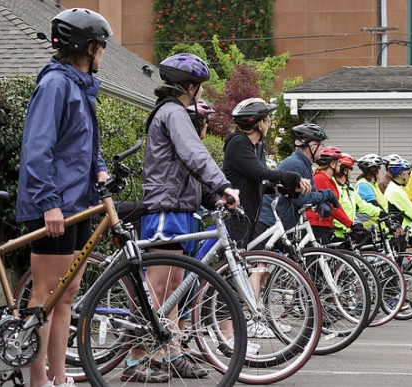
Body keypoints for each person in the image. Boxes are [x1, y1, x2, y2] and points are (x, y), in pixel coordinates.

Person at [126, 52, 240, 382]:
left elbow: (187, 166)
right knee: (158, 287)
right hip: (165, 208)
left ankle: (171, 351)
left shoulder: (173, 112)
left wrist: (214, 194)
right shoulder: (174, 112)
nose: (201, 93)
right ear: (190, 86)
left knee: (174, 285)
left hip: (180, 208)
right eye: (200, 88)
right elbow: (194, 153)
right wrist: (223, 184)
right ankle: (136, 359)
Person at [15, 8, 112, 387]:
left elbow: (85, 145)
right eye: (101, 46)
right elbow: (38, 149)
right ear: (89, 47)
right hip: (55, 206)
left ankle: (58, 377)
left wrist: (100, 169)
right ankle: (37, 381)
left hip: (78, 202)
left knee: (67, 294)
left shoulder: (80, 85)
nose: (103, 53)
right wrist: (49, 202)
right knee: (45, 296)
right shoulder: (56, 84)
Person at [223, 97, 310, 249]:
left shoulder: (256, 147)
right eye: (267, 119)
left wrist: (287, 189)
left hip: (249, 215)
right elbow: (260, 173)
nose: (269, 123)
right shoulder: (238, 143)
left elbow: (259, 182)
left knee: (243, 263)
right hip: (236, 215)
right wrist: (292, 177)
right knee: (232, 266)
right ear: (259, 123)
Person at [255, 123, 339, 235]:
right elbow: (302, 199)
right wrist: (327, 195)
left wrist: (320, 201)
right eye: (321, 146)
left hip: (279, 223)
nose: (322, 149)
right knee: (260, 253)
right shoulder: (295, 164)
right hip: (269, 223)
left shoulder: (306, 165)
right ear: (313, 148)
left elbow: (311, 193)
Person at [305, 146, 356, 244]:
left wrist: (351, 224)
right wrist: (350, 224)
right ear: (332, 164)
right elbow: (331, 207)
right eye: (339, 162)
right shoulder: (320, 178)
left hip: (324, 226)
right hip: (317, 226)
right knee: (316, 259)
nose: (340, 165)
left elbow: (336, 204)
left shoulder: (329, 180)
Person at [333, 153, 386, 241]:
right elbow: (334, 210)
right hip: (337, 234)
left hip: (348, 233)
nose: (352, 172)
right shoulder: (334, 186)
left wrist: (380, 212)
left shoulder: (348, 187)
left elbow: (362, 205)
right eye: (351, 169)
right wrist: (350, 225)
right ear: (345, 171)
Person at [383, 158, 412, 238]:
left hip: (401, 232)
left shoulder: (396, 187)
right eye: (409, 174)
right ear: (402, 175)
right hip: (399, 234)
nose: (410, 176)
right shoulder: (395, 191)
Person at [354, 154, 388, 227]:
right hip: (367, 228)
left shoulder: (374, 184)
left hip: (377, 226)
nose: (380, 171)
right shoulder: (363, 185)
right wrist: (387, 219)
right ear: (373, 171)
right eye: (379, 168)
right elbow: (374, 204)